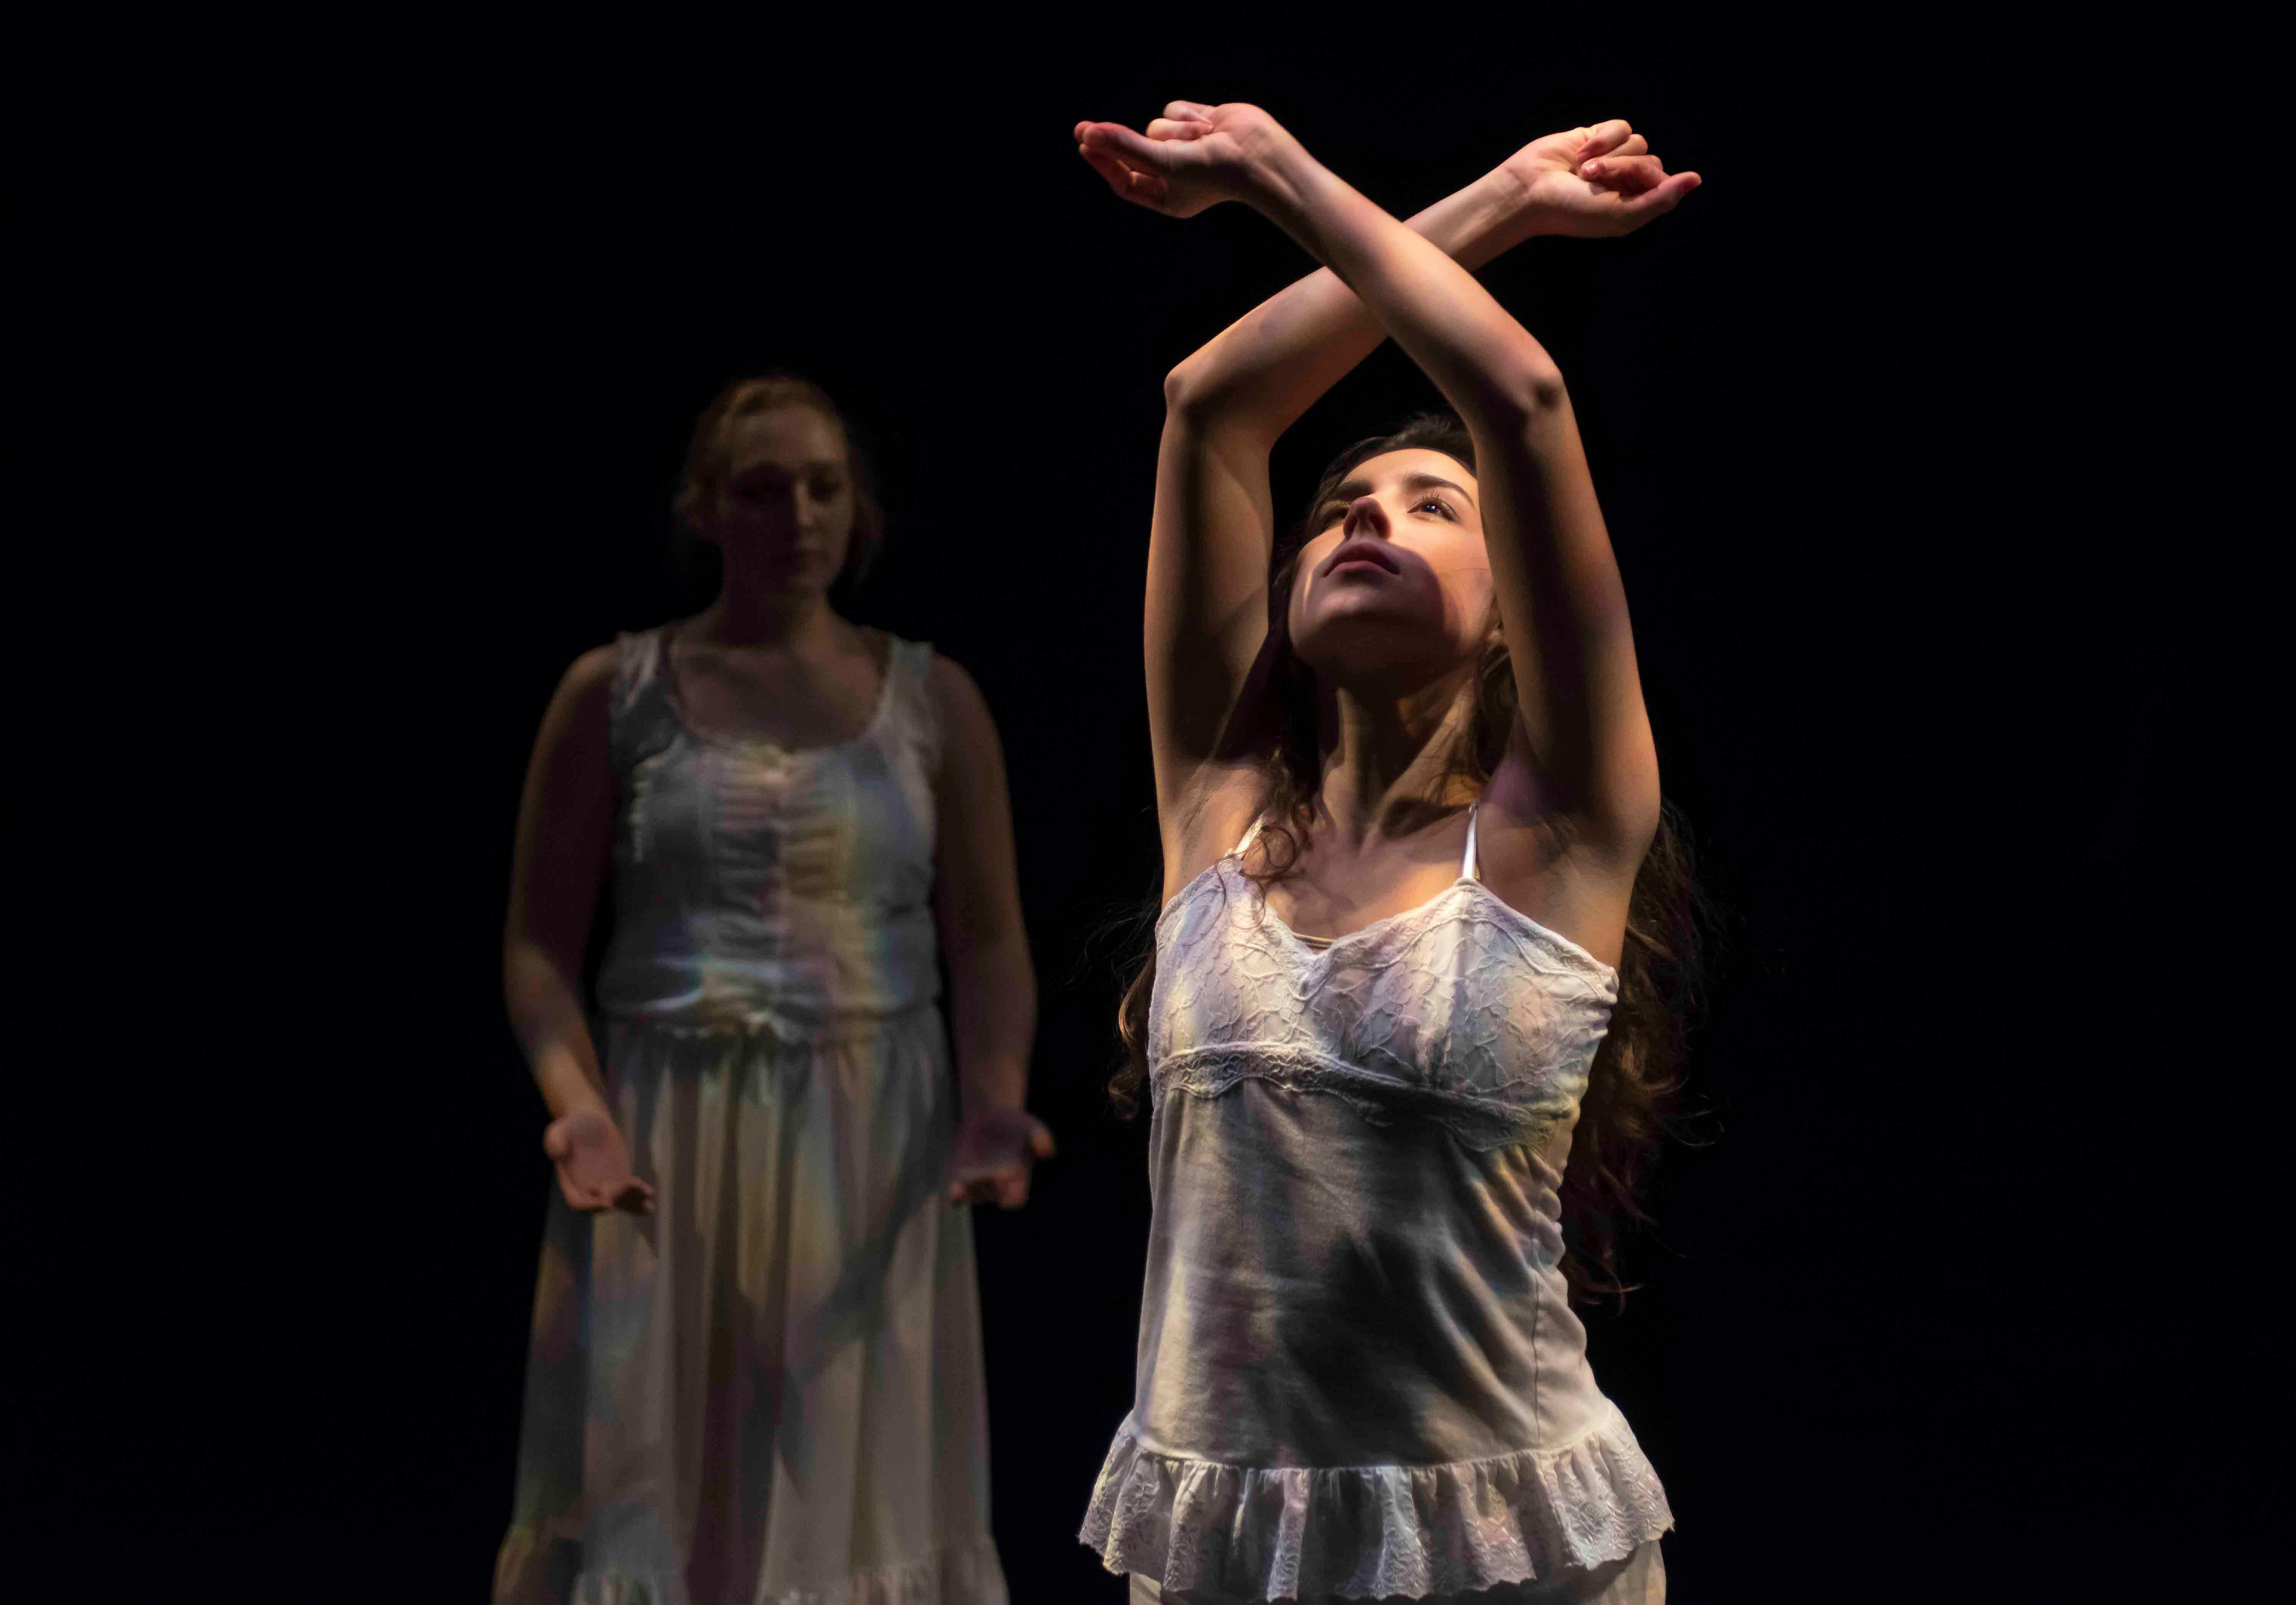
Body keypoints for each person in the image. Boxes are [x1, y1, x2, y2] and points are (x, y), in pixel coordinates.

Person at [1069, 104, 1704, 1603]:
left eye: (1434, 507)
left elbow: (1521, 397)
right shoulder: (1214, 812)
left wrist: (1276, 173)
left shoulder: (1557, 831)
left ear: (1507, 612)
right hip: (1229, 1548)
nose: (1372, 519)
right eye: (1344, 509)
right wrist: (1496, 201)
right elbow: (1210, 404)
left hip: (1505, 1553)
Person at [493, 374, 1050, 1605]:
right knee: (656, 1483)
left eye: (822, 488)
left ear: (859, 510)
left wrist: (994, 1096)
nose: (796, 516)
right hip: (664, 1134)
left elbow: (989, 941)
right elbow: (538, 943)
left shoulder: (934, 699)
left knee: (851, 1481)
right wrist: (578, 1104)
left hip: (870, 1136)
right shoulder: (615, 692)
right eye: (760, 489)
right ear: (704, 509)